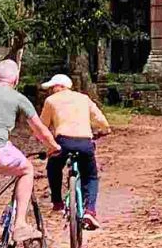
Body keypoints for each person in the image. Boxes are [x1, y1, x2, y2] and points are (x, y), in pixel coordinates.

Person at [0, 59, 61, 242]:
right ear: (16, 79)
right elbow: (39, 129)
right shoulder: (18, 97)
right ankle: (20, 224)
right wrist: (54, 146)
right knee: (26, 170)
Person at [40, 74, 110, 230]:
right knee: (91, 177)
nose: (51, 91)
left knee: (53, 167)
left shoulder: (51, 101)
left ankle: (57, 202)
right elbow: (100, 119)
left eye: (53, 87)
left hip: (63, 142)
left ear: (60, 86)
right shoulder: (84, 98)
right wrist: (105, 129)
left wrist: (47, 144)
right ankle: (90, 210)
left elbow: (42, 126)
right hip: (85, 142)